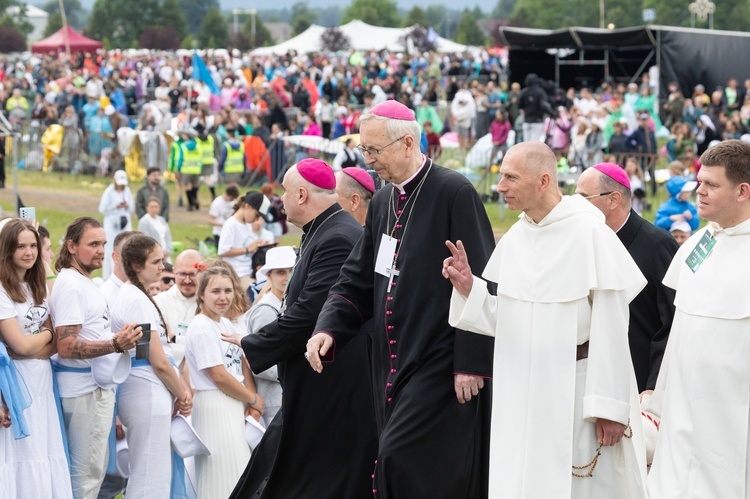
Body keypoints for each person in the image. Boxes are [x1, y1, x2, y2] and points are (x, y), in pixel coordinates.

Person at [306, 101, 495, 498]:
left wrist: (472, 362)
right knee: (399, 462)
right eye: (365, 151)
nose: (369, 161)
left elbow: (481, 279)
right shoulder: (382, 202)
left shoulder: (453, 191)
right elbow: (357, 278)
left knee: (403, 459)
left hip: (439, 359)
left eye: (375, 151)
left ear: (408, 143)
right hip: (392, 360)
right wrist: (328, 327)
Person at [442, 141, 648, 499]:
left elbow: (613, 328)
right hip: (521, 388)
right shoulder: (518, 237)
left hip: (576, 389)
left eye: (510, 177)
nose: (500, 186)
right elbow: (508, 320)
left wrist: (609, 406)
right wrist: (469, 288)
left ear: (543, 181)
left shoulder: (590, 233)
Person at [226, 158, 378, 498]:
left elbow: (310, 314)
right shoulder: (325, 230)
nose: (280, 200)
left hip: (332, 385)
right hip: (319, 383)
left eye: (283, 192)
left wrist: (251, 343)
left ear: (301, 194)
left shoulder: (337, 236)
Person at [647, 139, 750, 498]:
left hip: (733, 419)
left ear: (742, 191)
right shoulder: (696, 244)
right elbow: (675, 328)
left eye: (711, 185)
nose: (699, 192)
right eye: (699, 182)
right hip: (681, 414)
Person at [50, 217, 141, 498]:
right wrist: (115, 343)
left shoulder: (83, 282)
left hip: (95, 388)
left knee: (93, 472)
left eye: (103, 243)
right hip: (82, 393)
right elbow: (65, 345)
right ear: (72, 247)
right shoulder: (71, 285)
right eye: (93, 244)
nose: (100, 250)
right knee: (84, 475)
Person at [575, 163, 679, 393]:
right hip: (591, 377)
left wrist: (654, 386)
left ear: (613, 199)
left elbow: (672, 324)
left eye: (583, 199)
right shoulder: (581, 241)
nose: (576, 207)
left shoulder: (657, 244)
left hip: (640, 381)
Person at [110, 234, 192, 498]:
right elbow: (156, 359)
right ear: (136, 266)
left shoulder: (137, 296)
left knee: (153, 471)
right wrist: (182, 393)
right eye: (155, 262)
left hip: (146, 385)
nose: (162, 267)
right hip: (146, 388)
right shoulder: (135, 299)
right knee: (149, 473)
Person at [0, 219, 73, 498]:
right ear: (6, 249)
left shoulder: (36, 286)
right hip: (15, 384)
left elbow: (55, 341)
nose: (29, 252)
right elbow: (19, 343)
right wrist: (46, 333)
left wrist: (35, 344)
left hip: (42, 380)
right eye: (20, 246)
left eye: (33, 246)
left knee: (44, 448)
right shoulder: (2, 289)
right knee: (20, 455)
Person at [184, 266, 257, 498]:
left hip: (234, 402)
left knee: (240, 467)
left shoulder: (225, 323)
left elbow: (241, 361)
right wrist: (253, 398)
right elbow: (218, 374)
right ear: (202, 294)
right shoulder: (202, 327)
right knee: (223, 471)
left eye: (228, 290)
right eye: (216, 291)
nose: (223, 297)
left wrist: (249, 399)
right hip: (215, 404)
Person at [244, 246, 295, 426]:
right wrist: (296, 371)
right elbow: (261, 360)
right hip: (273, 399)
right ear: (269, 276)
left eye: (292, 270)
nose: (287, 277)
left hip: (285, 394)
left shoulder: (287, 304)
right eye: (281, 272)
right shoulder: (266, 311)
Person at [154, 249, 204, 367]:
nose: (187, 280)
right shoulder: (159, 302)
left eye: (192, 274)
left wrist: (174, 338)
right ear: (174, 271)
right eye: (182, 274)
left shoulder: (209, 303)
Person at [217, 192, 272, 290]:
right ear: (247, 206)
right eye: (256, 215)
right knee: (261, 292)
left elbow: (248, 246)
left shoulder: (247, 225)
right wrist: (247, 249)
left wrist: (259, 246)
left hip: (249, 272)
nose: (256, 219)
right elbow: (223, 251)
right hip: (237, 274)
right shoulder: (231, 224)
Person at [99, 170, 135, 279]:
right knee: (110, 246)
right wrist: (115, 206)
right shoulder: (109, 192)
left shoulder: (127, 191)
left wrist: (126, 205)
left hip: (124, 222)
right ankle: (108, 275)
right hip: (112, 223)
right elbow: (102, 209)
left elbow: (132, 209)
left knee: (126, 245)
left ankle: (125, 273)